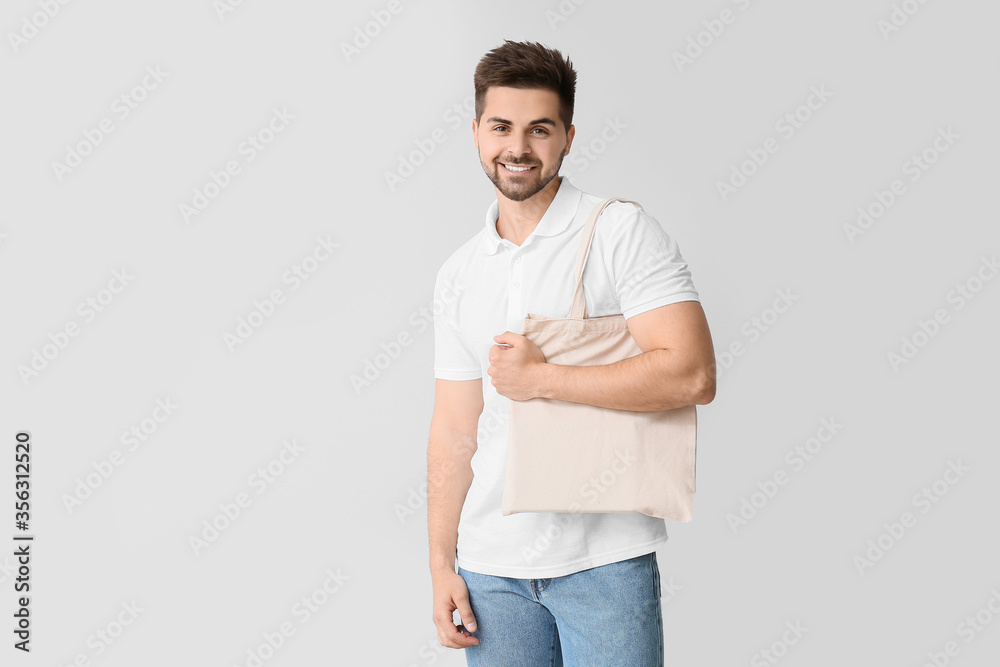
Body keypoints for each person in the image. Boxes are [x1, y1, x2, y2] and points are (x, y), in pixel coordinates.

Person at [427, 39, 716, 666]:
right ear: (476, 132)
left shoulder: (618, 231)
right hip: (488, 570)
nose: (518, 147)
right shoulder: (459, 272)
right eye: (501, 127)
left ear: (568, 136)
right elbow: (453, 430)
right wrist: (441, 566)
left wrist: (544, 379)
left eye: (540, 129)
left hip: (603, 563)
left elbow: (692, 373)